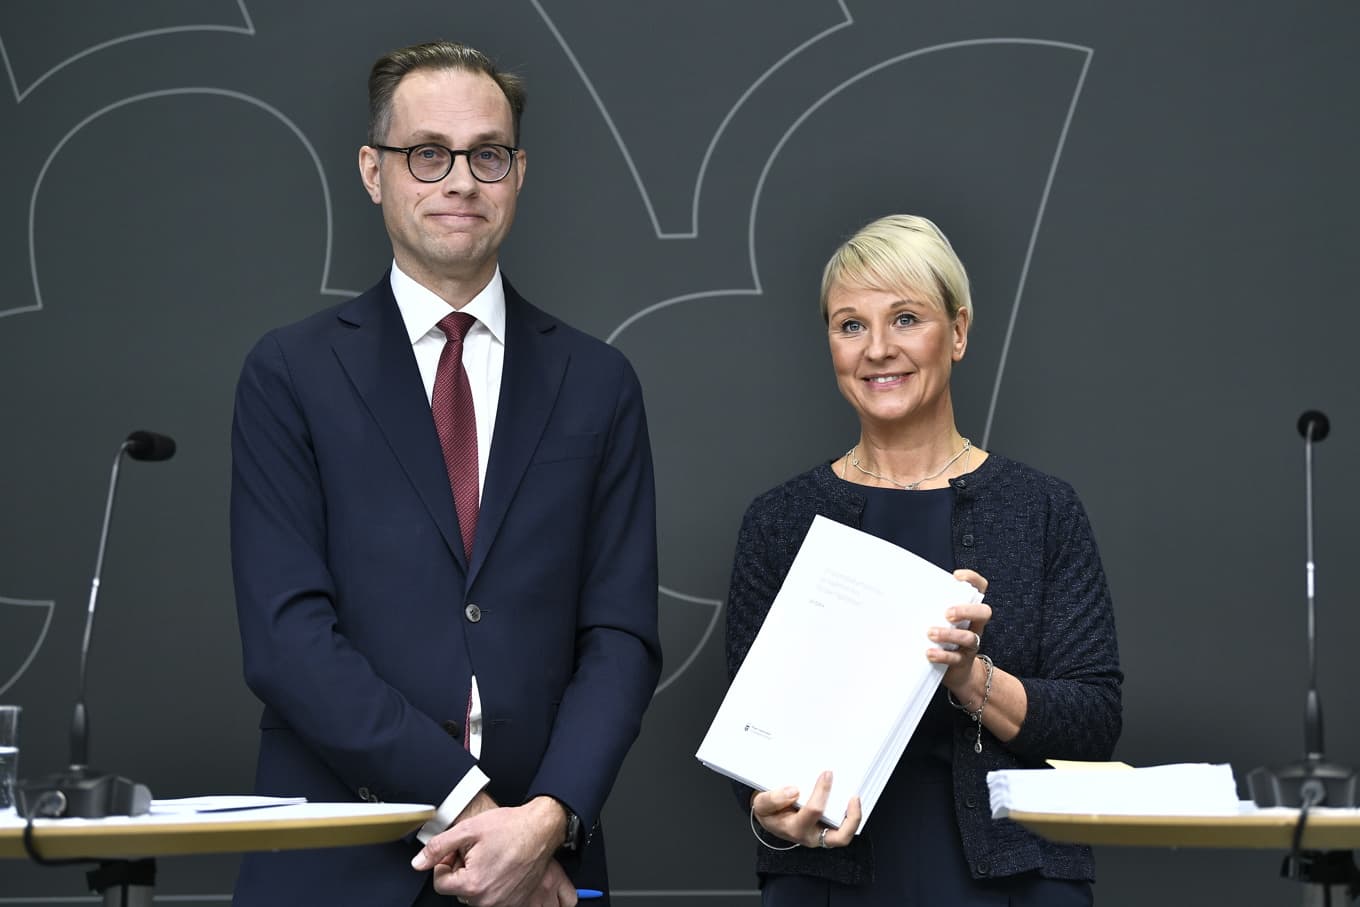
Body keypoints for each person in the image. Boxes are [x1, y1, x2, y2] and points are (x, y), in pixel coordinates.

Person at [229, 40, 661, 907]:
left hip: (547, 868)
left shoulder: (598, 381)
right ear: (373, 171)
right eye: (428, 153)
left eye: (487, 154)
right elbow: (287, 640)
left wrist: (545, 820)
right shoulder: (290, 374)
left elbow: (619, 639)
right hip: (336, 857)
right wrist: (475, 806)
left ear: (518, 172)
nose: (460, 179)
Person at [724, 214, 1121, 905]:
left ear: (958, 331)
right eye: (851, 325)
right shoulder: (778, 522)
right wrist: (770, 809)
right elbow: (748, 736)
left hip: (1018, 882)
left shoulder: (1043, 509)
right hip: (828, 879)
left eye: (906, 318)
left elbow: (1094, 721)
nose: (877, 348)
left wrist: (972, 678)